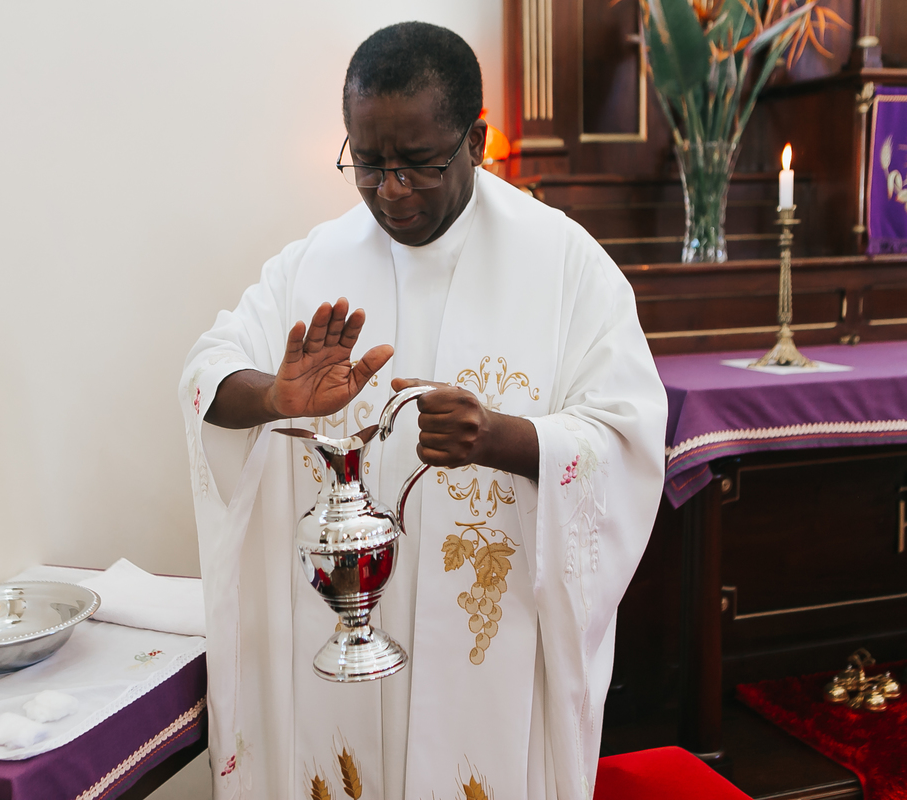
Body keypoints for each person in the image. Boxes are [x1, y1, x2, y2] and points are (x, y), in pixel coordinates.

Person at [180, 21, 666, 800]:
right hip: (338, 652)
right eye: (368, 163)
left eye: (417, 163)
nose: (391, 190)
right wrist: (274, 395)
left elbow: (629, 437)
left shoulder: (565, 264)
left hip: (489, 648)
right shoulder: (314, 262)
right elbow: (207, 371)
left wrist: (502, 438)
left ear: (476, 139)